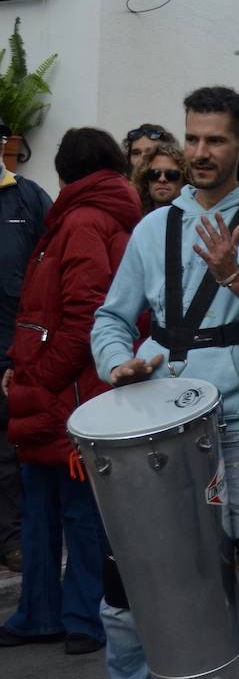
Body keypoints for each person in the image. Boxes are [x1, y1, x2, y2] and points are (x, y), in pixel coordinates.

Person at [91, 87, 239, 676]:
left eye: (215, 139)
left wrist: (236, 277)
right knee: (127, 582)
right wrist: (116, 364)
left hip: (232, 429)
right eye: (191, 138)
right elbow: (110, 318)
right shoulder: (153, 227)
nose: (200, 151)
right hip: (148, 429)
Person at [0, 129, 141, 655]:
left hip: (69, 391)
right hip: (62, 388)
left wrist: (40, 374)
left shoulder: (81, 221)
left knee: (75, 509)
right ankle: (47, 614)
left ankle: (81, 617)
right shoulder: (92, 216)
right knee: (48, 507)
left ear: (65, 173)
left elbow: (86, 313)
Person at [0, 123, 51, 576]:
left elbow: (50, 269)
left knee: (13, 453)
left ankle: (14, 540)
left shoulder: (27, 198)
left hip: (12, 353)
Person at [131, 143, 191, 215]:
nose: (162, 179)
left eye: (171, 174)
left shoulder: (194, 219)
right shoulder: (132, 217)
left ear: (185, 179)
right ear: (146, 180)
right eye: (154, 173)